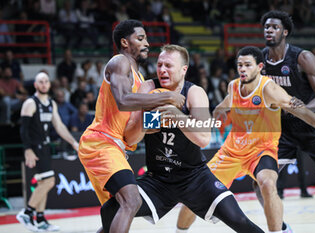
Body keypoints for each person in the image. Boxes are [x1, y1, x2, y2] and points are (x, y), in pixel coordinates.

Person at [176, 46, 315, 233]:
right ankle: (180, 231)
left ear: (259, 67)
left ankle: (280, 231)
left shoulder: (270, 89)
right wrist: (219, 113)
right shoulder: (233, 86)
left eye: (247, 65)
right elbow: (223, 105)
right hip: (231, 152)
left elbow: (305, 114)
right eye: (240, 65)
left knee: (267, 183)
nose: (242, 69)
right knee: (194, 193)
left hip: (261, 151)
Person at [100, 44, 264, 233]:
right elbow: (130, 138)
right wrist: (147, 122)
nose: (162, 69)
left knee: (239, 220)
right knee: (110, 210)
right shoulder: (148, 88)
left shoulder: (195, 93)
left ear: (183, 70)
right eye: (159, 64)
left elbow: (203, 138)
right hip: (158, 179)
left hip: (194, 177)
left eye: (168, 65)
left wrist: (175, 114)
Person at [77, 20, 185, 233]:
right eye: (140, 38)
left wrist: (161, 122)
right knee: (132, 201)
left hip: (118, 147)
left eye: (146, 38)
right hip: (101, 142)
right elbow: (123, 100)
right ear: (125, 42)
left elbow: (133, 134)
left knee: (112, 218)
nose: (147, 43)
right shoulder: (120, 62)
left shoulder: (140, 78)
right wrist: (167, 97)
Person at [255, 10, 315, 231]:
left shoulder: (302, 57)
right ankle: (282, 228)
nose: (269, 30)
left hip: (312, 129)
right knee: (261, 184)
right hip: (283, 132)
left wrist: (302, 110)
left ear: (285, 32)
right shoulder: (260, 60)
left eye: (274, 27)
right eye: (266, 27)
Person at [16, 72, 79, 232]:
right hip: (35, 147)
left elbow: (59, 126)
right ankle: (27, 213)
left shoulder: (51, 103)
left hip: (45, 146)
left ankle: (41, 219)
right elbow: (23, 130)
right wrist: (28, 149)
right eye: (40, 82)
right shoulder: (30, 103)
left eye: (46, 81)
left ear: (49, 84)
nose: (44, 84)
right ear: (36, 85)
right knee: (49, 181)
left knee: (44, 183)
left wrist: (73, 142)